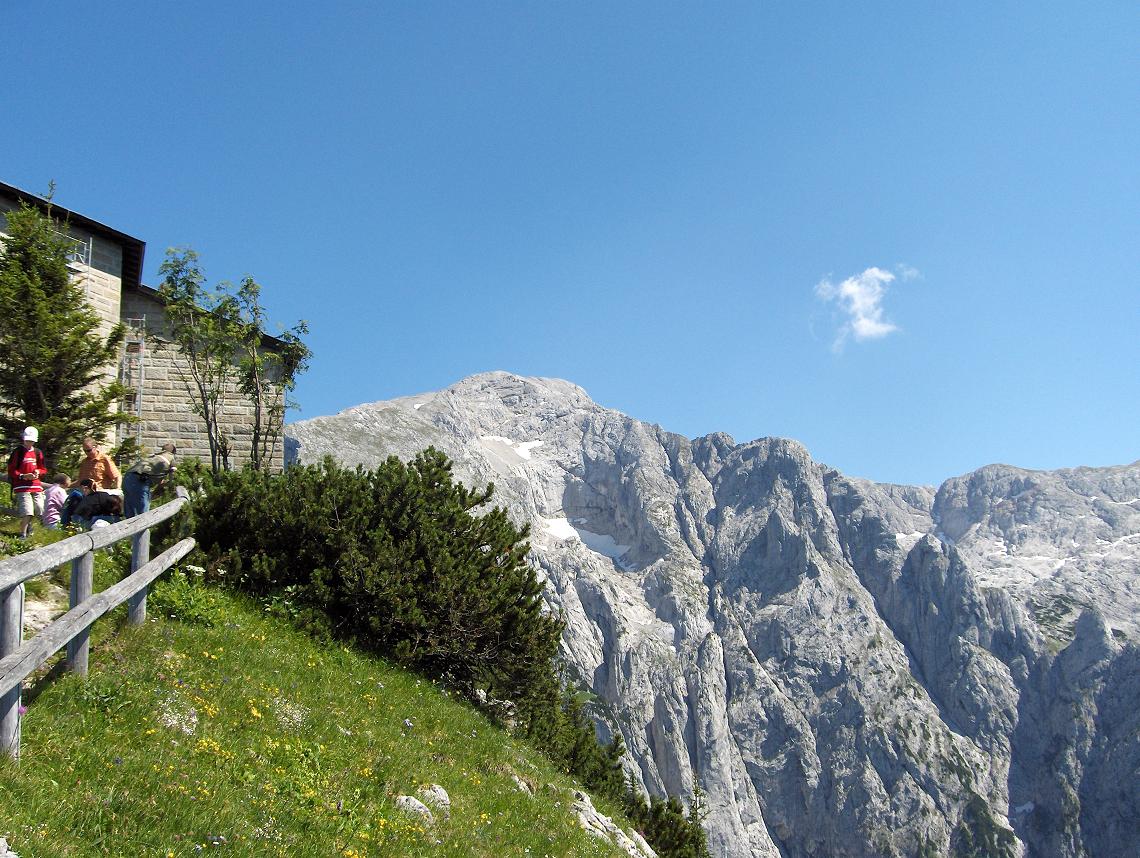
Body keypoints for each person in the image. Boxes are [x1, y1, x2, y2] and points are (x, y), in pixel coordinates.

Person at [7, 426, 47, 539]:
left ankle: (29, 525)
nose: (29, 443)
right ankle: (23, 534)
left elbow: (43, 469)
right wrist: (22, 476)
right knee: (27, 510)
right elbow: (11, 470)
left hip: (35, 485)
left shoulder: (38, 453)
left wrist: (38, 472)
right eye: (28, 440)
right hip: (21, 486)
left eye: (32, 441)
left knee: (39, 508)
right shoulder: (18, 452)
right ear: (24, 439)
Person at [122, 443, 177, 517]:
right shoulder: (171, 457)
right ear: (173, 452)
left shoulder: (154, 456)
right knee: (143, 516)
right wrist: (170, 484)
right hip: (140, 480)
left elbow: (156, 475)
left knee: (130, 514)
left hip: (128, 476)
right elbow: (172, 476)